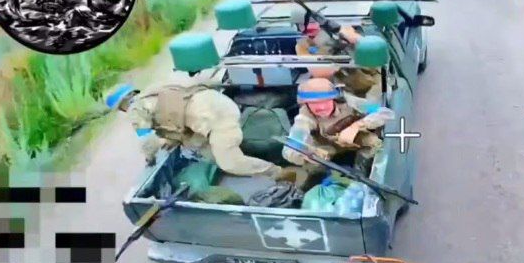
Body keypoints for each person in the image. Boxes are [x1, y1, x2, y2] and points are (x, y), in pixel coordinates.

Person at [106, 83, 285, 179]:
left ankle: (277, 172)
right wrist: (171, 140)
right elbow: (176, 114)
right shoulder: (154, 92)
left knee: (230, 163)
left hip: (214, 117)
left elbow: (147, 141)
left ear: (122, 105)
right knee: (206, 150)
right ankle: (251, 164)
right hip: (218, 104)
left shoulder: (135, 109)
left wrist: (150, 158)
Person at [282, 78, 394, 187]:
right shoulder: (304, 118)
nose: (321, 107)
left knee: (374, 143)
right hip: (327, 151)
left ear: (334, 98)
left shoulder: (349, 102)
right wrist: (306, 154)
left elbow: (385, 113)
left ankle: (365, 177)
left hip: (355, 142)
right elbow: (289, 149)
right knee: (314, 171)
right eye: (314, 103)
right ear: (305, 103)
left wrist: (357, 126)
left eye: (325, 101)